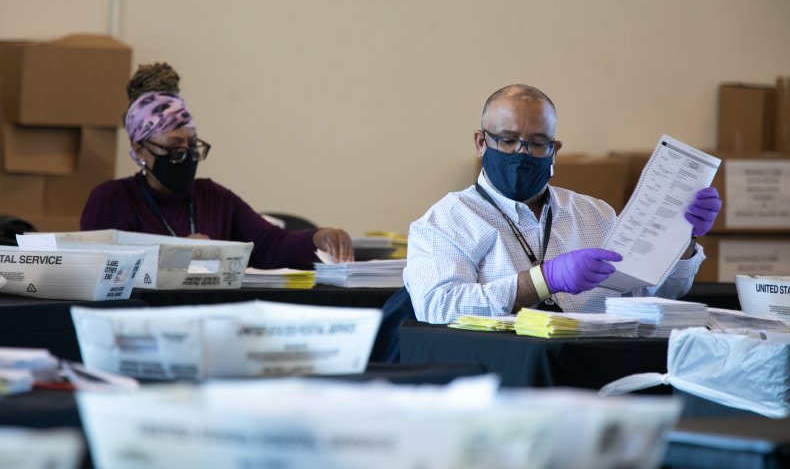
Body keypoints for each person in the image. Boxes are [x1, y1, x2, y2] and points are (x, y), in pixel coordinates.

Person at [404, 84, 721, 324]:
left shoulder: (596, 214)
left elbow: (650, 299)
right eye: (507, 139)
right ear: (480, 142)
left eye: (537, 144)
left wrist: (681, 239)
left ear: (554, 149)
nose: (522, 153)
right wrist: (543, 280)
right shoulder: (444, 222)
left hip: (594, 370)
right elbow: (438, 306)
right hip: (511, 377)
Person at [81, 62, 353, 269]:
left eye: (192, 144)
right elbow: (98, 270)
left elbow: (269, 243)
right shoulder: (112, 200)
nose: (186, 155)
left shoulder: (214, 198)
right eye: (174, 147)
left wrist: (318, 237)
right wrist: (175, 253)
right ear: (139, 149)